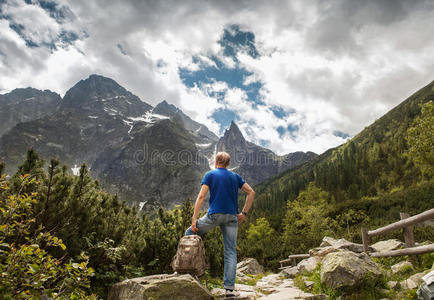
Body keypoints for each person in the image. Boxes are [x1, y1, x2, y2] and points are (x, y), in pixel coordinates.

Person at [185, 151, 255, 298]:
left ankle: (187, 272)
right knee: (230, 252)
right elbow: (251, 192)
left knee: (189, 233)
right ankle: (229, 290)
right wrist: (244, 213)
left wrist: (194, 219)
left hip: (214, 215)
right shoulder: (235, 177)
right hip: (231, 217)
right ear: (228, 164)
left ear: (216, 162)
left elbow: (201, 196)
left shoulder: (210, 175)